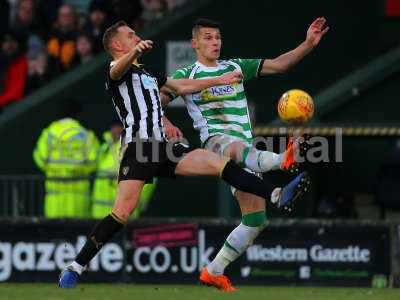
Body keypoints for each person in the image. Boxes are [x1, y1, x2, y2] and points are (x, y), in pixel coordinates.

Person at [58, 20, 310, 288]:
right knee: (121, 213)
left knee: (220, 164)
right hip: (139, 150)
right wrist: (134, 53)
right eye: (131, 35)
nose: (137, 37)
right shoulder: (116, 71)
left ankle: (275, 194)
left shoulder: (150, 73)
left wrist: (219, 80)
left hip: (165, 148)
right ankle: (76, 265)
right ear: (118, 45)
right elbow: (117, 69)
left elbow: (183, 87)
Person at [162, 18, 329, 291]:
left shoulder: (236, 66)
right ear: (194, 44)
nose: (215, 42)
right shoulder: (185, 75)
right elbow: (155, 100)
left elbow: (280, 64)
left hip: (246, 150)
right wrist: (166, 121)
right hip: (215, 144)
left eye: (217, 37)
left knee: (255, 221)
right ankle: (281, 160)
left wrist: (308, 44)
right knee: (233, 147)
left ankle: (213, 270)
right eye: (207, 37)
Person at [33, 101, 99, 218]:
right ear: (78, 115)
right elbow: (94, 162)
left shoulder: (48, 133)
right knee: (77, 234)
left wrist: (55, 169)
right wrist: (76, 169)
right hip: (79, 202)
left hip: (54, 203)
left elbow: (40, 159)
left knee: (54, 234)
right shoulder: (87, 135)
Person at [92, 120, 157, 218]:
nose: (117, 130)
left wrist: (136, 201)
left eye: (121, 126)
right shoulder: (104, 149)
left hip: (124, 215)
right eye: (115, 126)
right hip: (98, 215)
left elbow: (149, 178)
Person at [0, 30, 28, 112]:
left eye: (12, 42)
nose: (9, 45)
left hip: (15, 109)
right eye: (5, 43)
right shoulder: (2, 64)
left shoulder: (22, 62)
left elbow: (16, 94)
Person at [47, 4, 78, 72]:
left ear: (74, 17)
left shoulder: (80, 36)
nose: (66, 18)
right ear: (58, 18)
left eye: (69, 15)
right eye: (63, 15)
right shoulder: (51, 36)